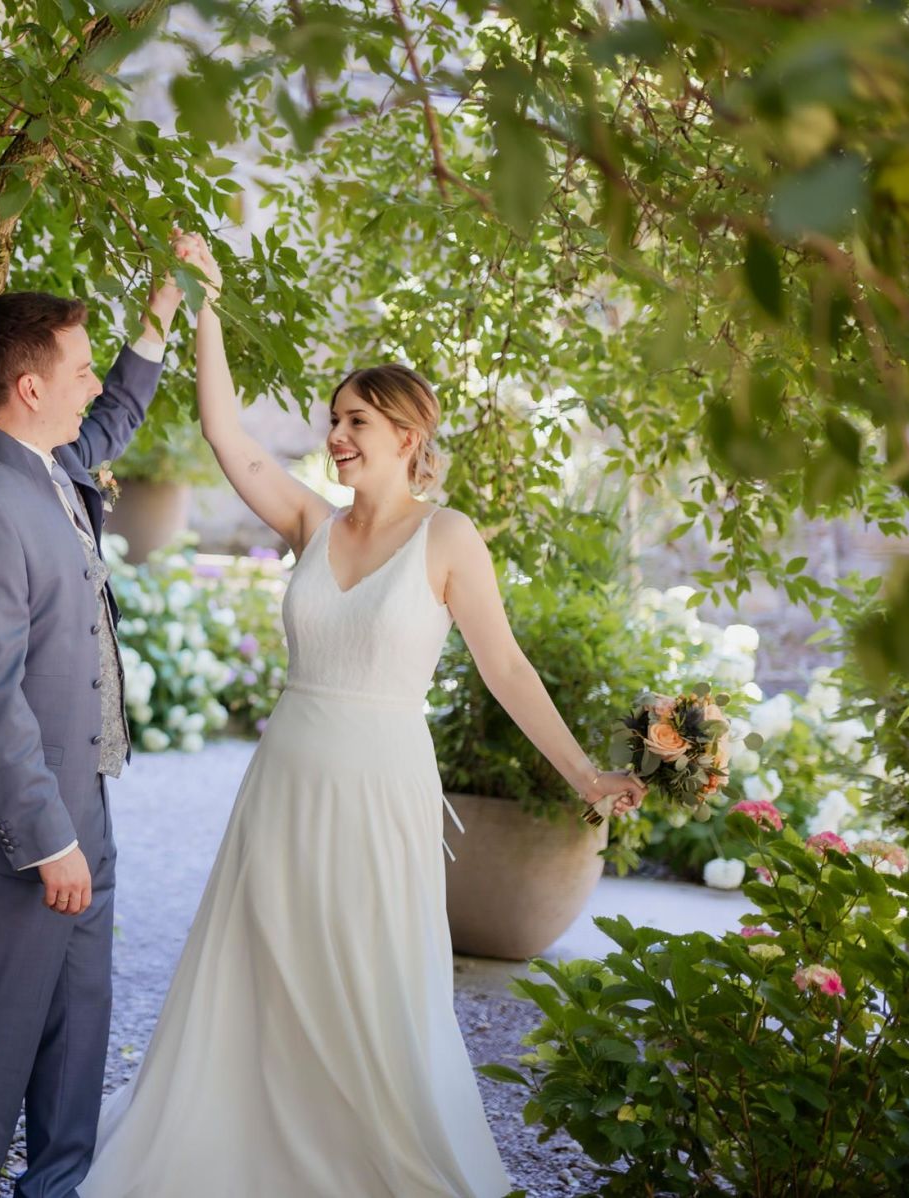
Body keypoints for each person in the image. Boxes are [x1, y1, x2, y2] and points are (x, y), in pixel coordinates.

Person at [77, 237, 645, 1197]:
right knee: (264, 963)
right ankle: (244, 1144)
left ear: (409, 435)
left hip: (382, 784)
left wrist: (586, 774)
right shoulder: (310, 521)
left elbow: (505, 667)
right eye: (334, 420)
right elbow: (226, 435)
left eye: (357, 421)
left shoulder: (448, 538)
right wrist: (204, 302)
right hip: (287, 780)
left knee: (366, 974)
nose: (338, 435)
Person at [0, 234, 205, 1198]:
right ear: (30, 387)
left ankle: (56, 1186)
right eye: (79, 370)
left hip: (86, 796)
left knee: (82, 1019)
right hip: (21, 825)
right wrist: (47, 839)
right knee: (3, 1029)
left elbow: (117, 411)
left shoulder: (53, 461)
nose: (93, 385)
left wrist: (162, 311)